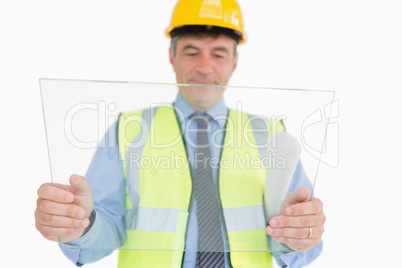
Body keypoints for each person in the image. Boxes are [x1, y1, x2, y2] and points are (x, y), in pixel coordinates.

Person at [35, 0, 326, 267]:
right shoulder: (129, 130)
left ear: (234, 63)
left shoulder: (270, 135)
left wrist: (297, 234)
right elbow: (105, 230)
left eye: (218, 53)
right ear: (172, 57)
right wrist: (80, 223)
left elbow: (297, 242)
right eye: (191, 52)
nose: (204, 66)